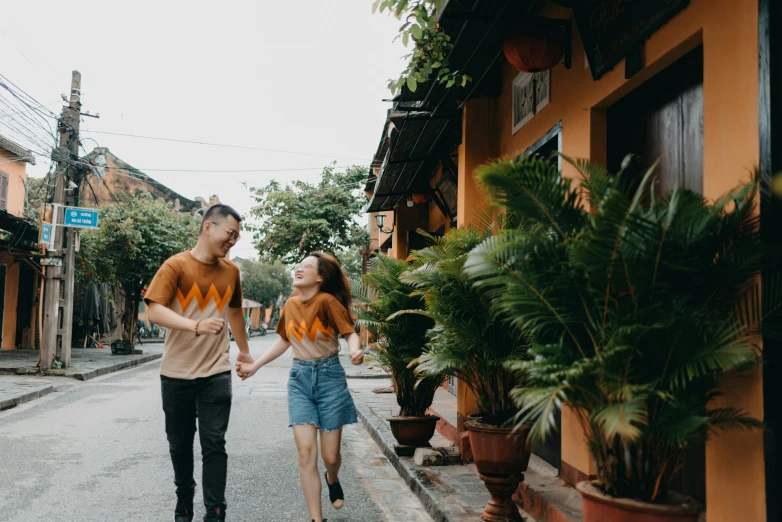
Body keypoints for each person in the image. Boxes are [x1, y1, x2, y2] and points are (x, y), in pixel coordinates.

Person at [236, 252, 364, 522]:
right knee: (306, 452)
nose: (299, 268)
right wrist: (254, 366)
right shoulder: (291, 306)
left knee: (330, 457)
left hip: (330, 380)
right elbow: (283, 340)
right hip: (300, 381)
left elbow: (349, 332)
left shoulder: (328, 302)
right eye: (298, 265)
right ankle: (316, 519)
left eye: (307, 266)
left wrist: (355, 350)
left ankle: (333, 477)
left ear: (320, 277)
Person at [145, 204, 253, 522]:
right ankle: (184, 495)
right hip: (176, 372)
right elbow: (153, 310)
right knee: (179, 444)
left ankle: (215, 510)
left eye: (237, 236)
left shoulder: (231, 271)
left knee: (214, 443)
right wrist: (194, 325)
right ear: (209, 228)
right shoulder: (175, 266)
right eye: (229, 233)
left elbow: (234, 312)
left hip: (216, 370)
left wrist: (244, 351)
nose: (232, 241)